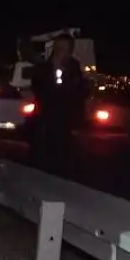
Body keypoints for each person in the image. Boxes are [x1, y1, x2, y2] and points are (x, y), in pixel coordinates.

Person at [28, 34, 88, 170]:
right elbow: (37, 87)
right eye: (59, 46)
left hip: (67, 116)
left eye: (64, 47)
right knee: (47, 149)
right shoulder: (44, 67)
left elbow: (79, 89)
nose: (61, 50)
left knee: (65, 151)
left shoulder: (73, 66)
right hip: (48, 115)